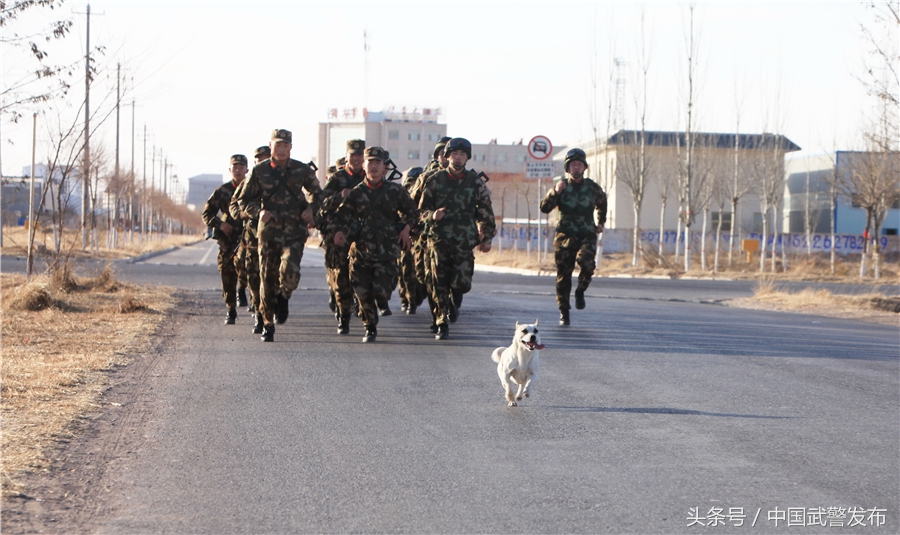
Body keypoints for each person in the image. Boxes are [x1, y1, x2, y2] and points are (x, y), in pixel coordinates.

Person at [236, 129, 325, 342]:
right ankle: (268, 324)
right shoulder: (259, 171)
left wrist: (311, 209)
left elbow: (319, 194)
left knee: (290, 273)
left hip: (294, 232)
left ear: (291, 147)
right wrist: (259, 212)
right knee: (267, 280)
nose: (282, 149)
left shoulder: (301, 170)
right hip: (268, 234)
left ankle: (284, 296)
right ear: (271, 146)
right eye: (278, 145)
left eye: (286, 146)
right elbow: (243, 200)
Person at [333, 147, 417, 342]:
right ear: (364, 166)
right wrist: (339, 232)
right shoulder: (356, 193)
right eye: (370, 162)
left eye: (377, 163)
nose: (374, 166)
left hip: (387, 250)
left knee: (382, 290)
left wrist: (406, 229)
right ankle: (370, 326)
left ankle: (382, 301)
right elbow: (342, 216)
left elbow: (413, 213)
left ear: (384, 168)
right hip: (361, 251)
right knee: (362, 291)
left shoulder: (396, 191)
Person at [418, 138, 495, 340]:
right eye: (454, 154)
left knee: (462, 283)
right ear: (448, 156)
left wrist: (486, 238)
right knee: (437, 282)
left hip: (463, 241)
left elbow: (485, 211)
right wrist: (432, 216)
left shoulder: (474, 182)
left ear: (467, 157)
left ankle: (454, 300)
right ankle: (441, 322)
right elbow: (420, 211)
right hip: (438, 240)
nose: (458, 157)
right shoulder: (435, 180)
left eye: (462, 154)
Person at [539, 147, 607, 326]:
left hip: (587, 233)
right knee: (564, 275)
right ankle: (564, 311)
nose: (576, 168)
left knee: (587, 262)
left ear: (584, 168)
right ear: (568, 168)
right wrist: (555, 192)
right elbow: (544, 208)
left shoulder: (592, 187)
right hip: (565, 235)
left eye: (579, 164)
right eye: (573, 165)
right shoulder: (561, 186)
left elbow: (602, 202)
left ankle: (581, 290)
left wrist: (601, 222)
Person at [319, 139, 367, 333]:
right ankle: (343, 314)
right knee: (341, 277)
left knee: (363, 276)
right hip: (339, 233)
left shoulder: (370, 177)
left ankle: (363, 310)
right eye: (352, 156)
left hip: (364, 234)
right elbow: (322, 202)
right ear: (346, 157)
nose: (355, 159)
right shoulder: (338, 178)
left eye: (359, 156)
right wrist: (340, 196)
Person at [202, 154, 247, 325]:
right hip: (227, 242)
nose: (238, 170)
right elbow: (207, 213)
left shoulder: (252, 190)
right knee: (227, 277)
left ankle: (246, 295)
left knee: (251, 274)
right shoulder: (222, 191)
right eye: (235, 167)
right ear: (230, 170)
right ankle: (231, 310)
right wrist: (220, 225)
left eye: (241, 167)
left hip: (248, 240)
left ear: (247, 170)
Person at [230, 145, 270, 334]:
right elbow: (235, 204)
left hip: (273, 238)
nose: (262, 161)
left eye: (265, 158)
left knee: (272, 279)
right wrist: (245, 214)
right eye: (258, 159)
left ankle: (268, 311)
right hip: (252, 238)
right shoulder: (249, 181)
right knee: (253, 278)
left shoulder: (279, 179)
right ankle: (259, 315)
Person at [398, 166, 425, 314]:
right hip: (406, 236)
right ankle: (408, 300)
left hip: (421, 238)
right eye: (412, 182)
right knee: (405, 270)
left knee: (420, 270)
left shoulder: (426, 195)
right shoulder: (403, 196)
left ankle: (417, 296)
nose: (414, 185)